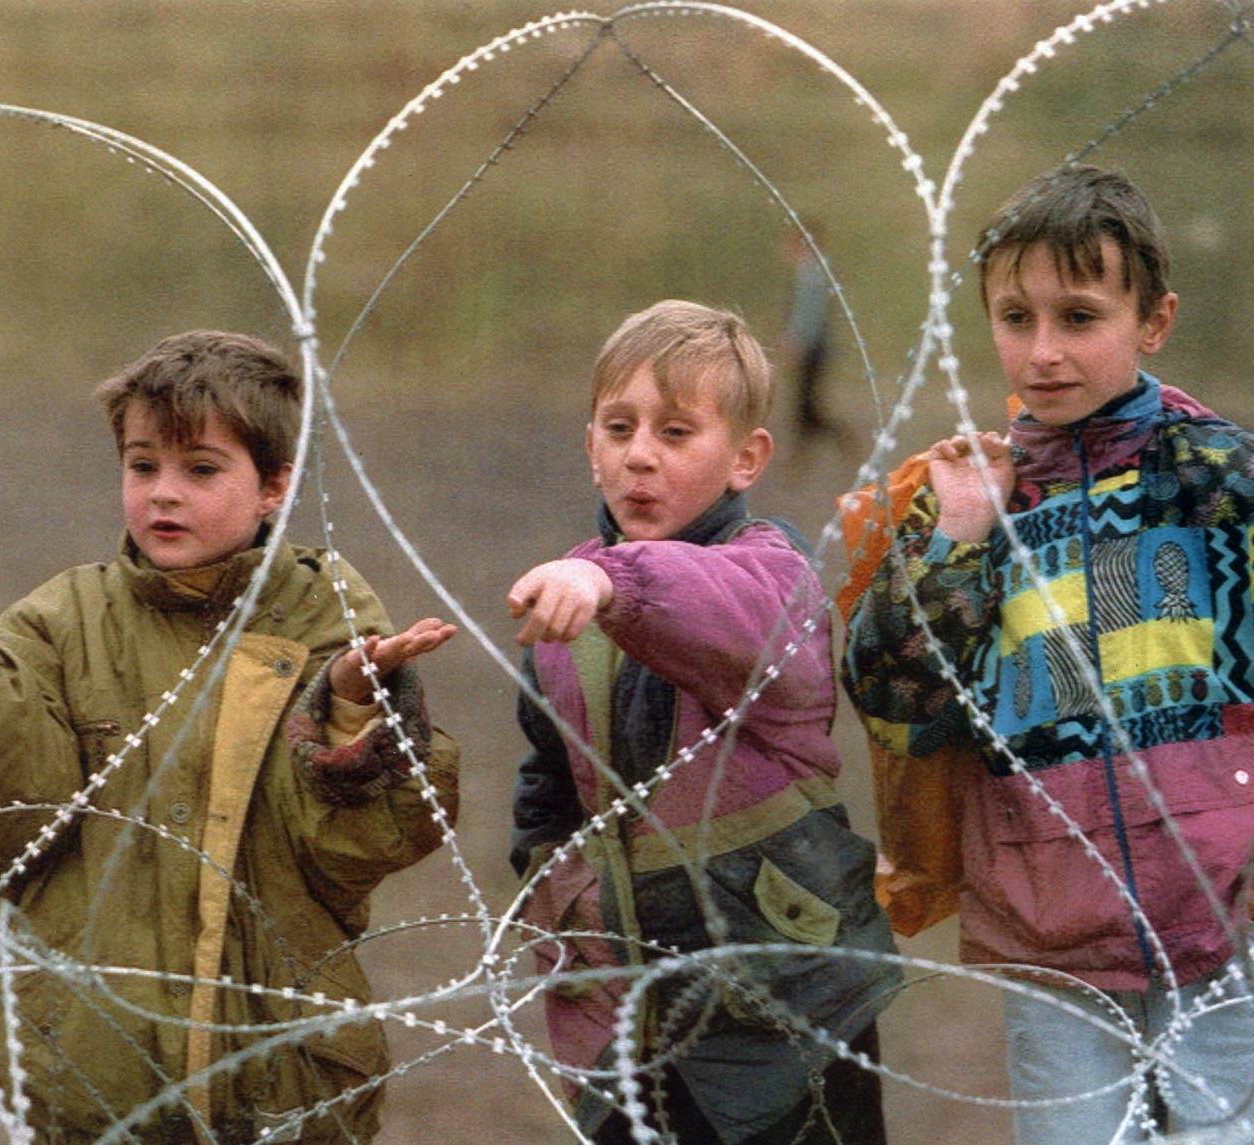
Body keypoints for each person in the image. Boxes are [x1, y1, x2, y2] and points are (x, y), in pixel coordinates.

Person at [0, 329, 461, 1142]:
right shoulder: (61, 620)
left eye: (202, 470)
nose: (164, 493)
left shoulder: (325, 617)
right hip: (90, 1073)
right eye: (142, 464)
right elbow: (14, 815)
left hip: (282, 1074)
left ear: (275, 484)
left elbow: (356, 848)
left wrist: (349, 712)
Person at [841, 163, 1254, 1144]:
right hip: (1049, 917)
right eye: (1015, 317)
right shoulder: (967, 499)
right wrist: (954, 541)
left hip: (1223, 906)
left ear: (1154, 320)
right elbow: (894, 697)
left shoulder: (1219, 477)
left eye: (1079, 317)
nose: (1043, 351)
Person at [507, 300, 898, 1144]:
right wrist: (551, 894)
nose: (640, 453)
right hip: (629, 1013)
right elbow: (548, 784)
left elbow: (727, 613)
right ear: (591, 445)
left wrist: (611, 583)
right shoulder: (567, 597)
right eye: (619, 427)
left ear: (746, 458)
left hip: (788, 1001)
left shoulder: (773, 577)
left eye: (677, 432)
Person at [780, 224, 839, 441]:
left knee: (806, 405)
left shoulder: (812, 274)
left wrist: (797, 340)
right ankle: (803, 450)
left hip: (813, 347)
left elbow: (808, 313)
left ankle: (843, 441)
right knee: (805, 404)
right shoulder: (815, 271)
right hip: (816, 346)